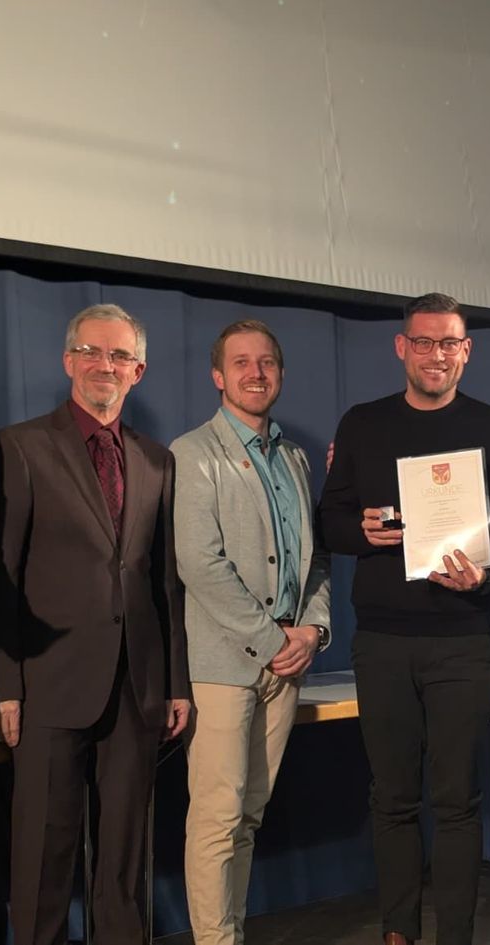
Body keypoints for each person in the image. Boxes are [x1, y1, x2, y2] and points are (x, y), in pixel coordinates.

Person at [317, 293, 490, 945]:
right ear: (401, 347)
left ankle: (456, 935)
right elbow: (330, 519)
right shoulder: (363, 424)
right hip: (382, 641)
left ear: (465, 351)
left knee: (457, 802)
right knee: (393, 797)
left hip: (462, 641)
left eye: (449, 343)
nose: (436, 354)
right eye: (423, 341)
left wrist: (485, 578)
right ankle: (398, 931)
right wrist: (361, 530)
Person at [0, 304, 190, 945]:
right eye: (92, 352)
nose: (106, 365)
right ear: (69, 360)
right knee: (43, 852)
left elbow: (162, 582)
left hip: (137, 686)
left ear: (139, 371)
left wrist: (175, 682)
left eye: (120, 356)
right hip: (46, 683)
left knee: (125, 857)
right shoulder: (18, 447)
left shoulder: (157, 461)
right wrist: (1, 682)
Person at [170, 319, 331, 945]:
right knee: (215, 817)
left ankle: (230, 933)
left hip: (287, 663)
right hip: (224, 665)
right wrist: (274, 641)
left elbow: (315, 558)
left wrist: (313, 630)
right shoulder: (193, 453)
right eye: (241, 362)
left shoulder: (294, 458)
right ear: (218, 377)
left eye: (267, 362)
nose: (255, 372)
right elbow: (199, 563)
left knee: (249, 817)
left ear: (281, 375)